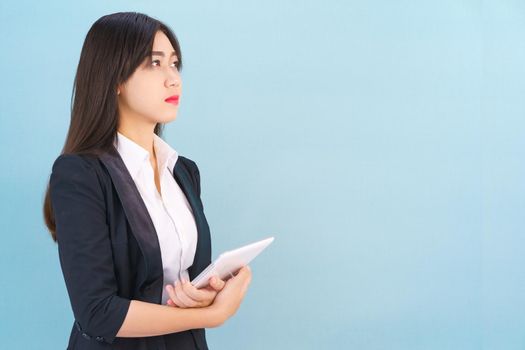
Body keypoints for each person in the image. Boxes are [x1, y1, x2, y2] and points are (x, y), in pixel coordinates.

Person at [42, 12, 252, 350]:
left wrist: (217, 286)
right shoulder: (80, 174)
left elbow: (179, 283)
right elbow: (97, 313)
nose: (173, 79)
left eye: (175, 64)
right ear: (115, 79)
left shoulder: (183, 171)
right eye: (154, 64)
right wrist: (211, 315)